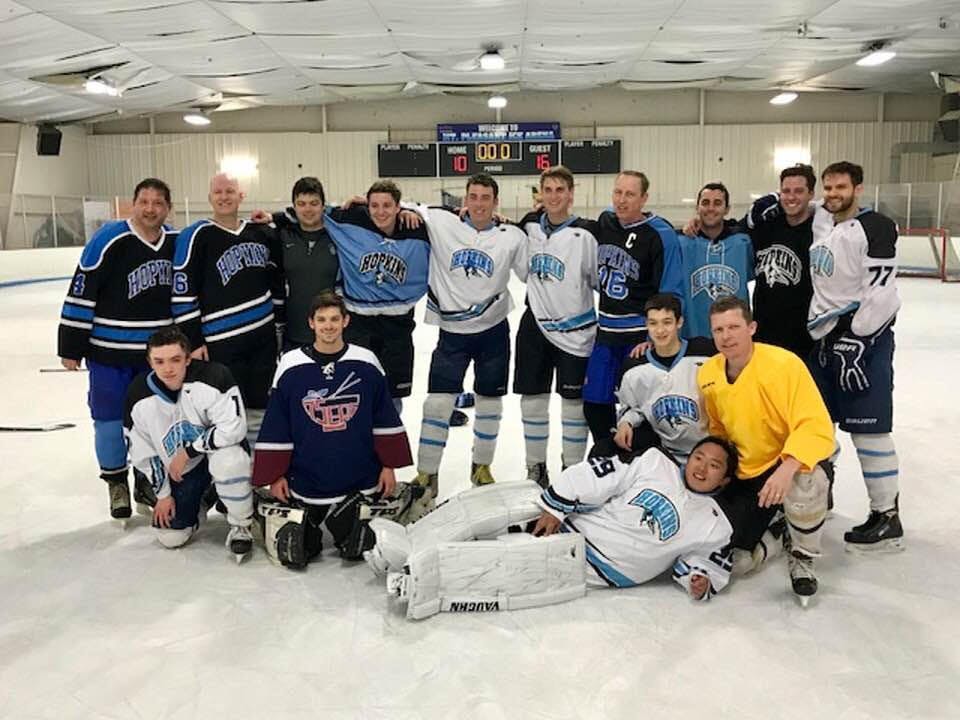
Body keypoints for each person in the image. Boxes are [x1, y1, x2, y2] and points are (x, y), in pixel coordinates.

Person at [364, 437, 740, 619]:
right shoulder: (654, 464)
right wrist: (557, 507)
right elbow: (598, 476)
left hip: (597, 566)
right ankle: (408, 541)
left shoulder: (713, 525)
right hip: (577, 522)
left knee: (517, 559)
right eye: (699, 457)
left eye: (715, 466)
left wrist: (700, 582)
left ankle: (422, 579)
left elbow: (706, 567)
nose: (702, 467)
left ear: (724, 480)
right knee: (515, 497)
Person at [252, 292, 413, 568]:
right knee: (298, 550)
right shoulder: (291, 364)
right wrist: (276, 474)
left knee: (356, 549)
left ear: (346, 321)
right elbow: (277, 424)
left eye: (335, 319)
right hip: (306, 479)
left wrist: (389, 466)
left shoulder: (366, 361)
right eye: (322, 319)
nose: (329, 326)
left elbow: (383, 417)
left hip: (358, 476)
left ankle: (373, 507)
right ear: (311, 323)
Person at [698, 296, 834, 604]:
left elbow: (817, 425)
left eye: (734, 327)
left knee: (806, 483)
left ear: (752, 328)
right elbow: (718, 432)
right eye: (718, 329)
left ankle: (802, 556)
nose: (726, 336)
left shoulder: (785, 365)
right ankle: (779, 532)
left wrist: (787, 468)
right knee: (740, 561)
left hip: (788, 464)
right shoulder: (708, 374)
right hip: (748, 472)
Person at [58, 178, 177, 521]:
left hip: (156, 356)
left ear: (167, 208)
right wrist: (71, 344)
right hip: (108, 352)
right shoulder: (108, 239)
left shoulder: (175, 242)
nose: (150, 208)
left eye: (157, 203)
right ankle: (115, 481)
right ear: (133, 203)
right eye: (144, 201)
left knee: (155, 423)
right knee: (109, 422)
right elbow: (82, 290)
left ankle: (145, 478)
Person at [412, 173, 528, 499]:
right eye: (473, 197)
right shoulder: (441, 222)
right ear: (465, 199)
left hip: (493, 331)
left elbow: (530, 273)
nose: (479, 203)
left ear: (495, 202)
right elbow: (393, 207)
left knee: (490, 404)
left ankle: (482, 466)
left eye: (485, 198)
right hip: (452, 334)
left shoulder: (512, 236)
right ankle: (427, 471)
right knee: (437, 404)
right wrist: (359, 203)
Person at [807, 161, 903, 552]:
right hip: (824, 337)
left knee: (868, 428)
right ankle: (817, 498)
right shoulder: (821, 220)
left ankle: (886, 516)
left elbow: (882, 292)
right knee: (815, 425)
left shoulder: (877, 226)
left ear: (858, 188)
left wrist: (860, 338)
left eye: (840, 187)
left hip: (863, 339)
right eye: (828, 187)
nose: (833, 194)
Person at [171, 173, 285, 447]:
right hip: (220, 341)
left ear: (241, 195)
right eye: (218, 192)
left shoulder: (261, 233)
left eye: (230, 191)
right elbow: (182, 292)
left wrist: (279, 326)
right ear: (209, 197)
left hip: (262, 337)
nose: (224, 196)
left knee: (260, 406)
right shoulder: (195, 236)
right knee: (224, 408)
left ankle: (256, 472)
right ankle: (226, 476)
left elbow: (277, 283)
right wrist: (193, 340)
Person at [124, 327, 254, 559]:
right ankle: (206, 498)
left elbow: (233, 429)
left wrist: (189, 450)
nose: (168, 368)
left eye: (175, 360)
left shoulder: (214, 376)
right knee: (171, 537)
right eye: (159, 361)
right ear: (149, 362)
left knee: (229, 461)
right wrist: (163, 495)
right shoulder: (139, 395)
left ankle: (241, 524)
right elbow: (142, 451)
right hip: (182, 472)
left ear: (187, 358)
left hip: (217, 454)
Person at [583, 171, 684, 445]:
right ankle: (608, 456)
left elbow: (670, 292)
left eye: (630, 194)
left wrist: (656, 336)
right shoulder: (606, 221)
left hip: (639, 334)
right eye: (618, 193)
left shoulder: (660, 234)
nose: (622, 200)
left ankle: (640, 461)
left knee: (639, 409)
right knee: (594, 402)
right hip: (606, 332)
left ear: (644, 198)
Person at [515, 166, 598, 486]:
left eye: (559, 190)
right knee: (532, 398)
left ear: (571, 193)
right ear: (540, 194)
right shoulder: (529, 225)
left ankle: (572, 468)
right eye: (547, 190)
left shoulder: (587, 233)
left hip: (576, 331)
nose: (553, 196)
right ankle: (535, 467)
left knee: (573, 403)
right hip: (534, 324)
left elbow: (597, 280)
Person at [323, 180, 430, 412]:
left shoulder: (417, 228)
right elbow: (310, 210)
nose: (381, 212)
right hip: (359, 325)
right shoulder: (351, 221)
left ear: (398, 207)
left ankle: (388, 445)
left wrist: (414, 210)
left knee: (392, 399)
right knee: (356, 393)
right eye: (374, 205)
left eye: (387, 206)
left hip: (398, 327)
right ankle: (360, 446)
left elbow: (450, 217)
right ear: (367, 206)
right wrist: (271, 218)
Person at [614, 293, 715, 462]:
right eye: (653, 323)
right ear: (646, 324)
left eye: (667, 322)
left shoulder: (706, 353)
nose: (660, 330)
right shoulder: (634, 367)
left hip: (710, 447)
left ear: (679, 322)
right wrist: (625, 422)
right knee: (605, 449)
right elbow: (632, 407)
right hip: (664, 450)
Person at [746, 164, 819, 358]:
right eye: (786, 191)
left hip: (804, 340)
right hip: (763, 335)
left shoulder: (820, 233)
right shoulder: (766, 226)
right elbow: (730, 232)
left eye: (798, 191)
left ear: (811, 194)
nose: (791, 197)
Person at [270, 177, 339, 351]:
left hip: (333, 333)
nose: (308, 209)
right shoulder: (282, 234)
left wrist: (408, 212)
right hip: (295, 333)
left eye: (314, 203)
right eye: (301, 203)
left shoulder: (339, 235)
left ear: (323, 206)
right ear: (294, 207)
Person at [677, 182, 753, 338]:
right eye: (705, 203)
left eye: (717, 203)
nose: (711, 208)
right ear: (697, 208)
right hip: (693, 336)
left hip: (734, 337)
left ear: (727, 209)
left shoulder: (743, 242)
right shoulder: (681, 243)